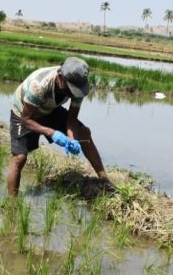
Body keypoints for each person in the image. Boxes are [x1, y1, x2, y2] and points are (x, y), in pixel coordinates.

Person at [6, 57, 112, 196]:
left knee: (84, 133)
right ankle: (12, 204)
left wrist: (72, 139)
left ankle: (104, 180)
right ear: (60, 78)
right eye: (71, 89)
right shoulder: (38, 85)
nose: (75, 94)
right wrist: (52, 133)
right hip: (24, 112)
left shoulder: (78, 86)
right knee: (20, 157)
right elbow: (26, 120)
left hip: (50, 108)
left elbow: (72, 119)